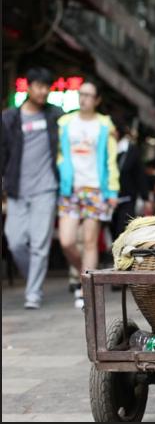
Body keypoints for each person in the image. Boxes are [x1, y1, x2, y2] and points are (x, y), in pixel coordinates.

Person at [1, 67, 63, 309]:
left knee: (39, 244)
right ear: (28, 86)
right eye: (39, 86)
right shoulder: (9, 119)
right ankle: (33, 280)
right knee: (14, 240)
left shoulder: (55, 116)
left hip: (46, 190)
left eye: (47, 87)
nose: (44, 91)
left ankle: (33, 293)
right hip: (16, 189)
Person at [57, 80, 119, 309]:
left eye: (89, 95)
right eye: (81, 94)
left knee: (91, 242)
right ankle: (83, 272)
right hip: (70, 189)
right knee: (67, 240)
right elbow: (59, 155)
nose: (83, 98)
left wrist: (112, 190)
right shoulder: (65, 123)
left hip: (95, 189)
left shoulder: (104, 125)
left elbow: (111, 160)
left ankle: (85, 291)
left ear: (97, 100)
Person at [110, 120, 152, 241]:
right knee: (110, 229)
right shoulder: (106, 148)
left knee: (121, 230)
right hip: (108, 198)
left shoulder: (131, 150)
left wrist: (145, 197)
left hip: (127, 197)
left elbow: (139, 174)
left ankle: (119, 256)